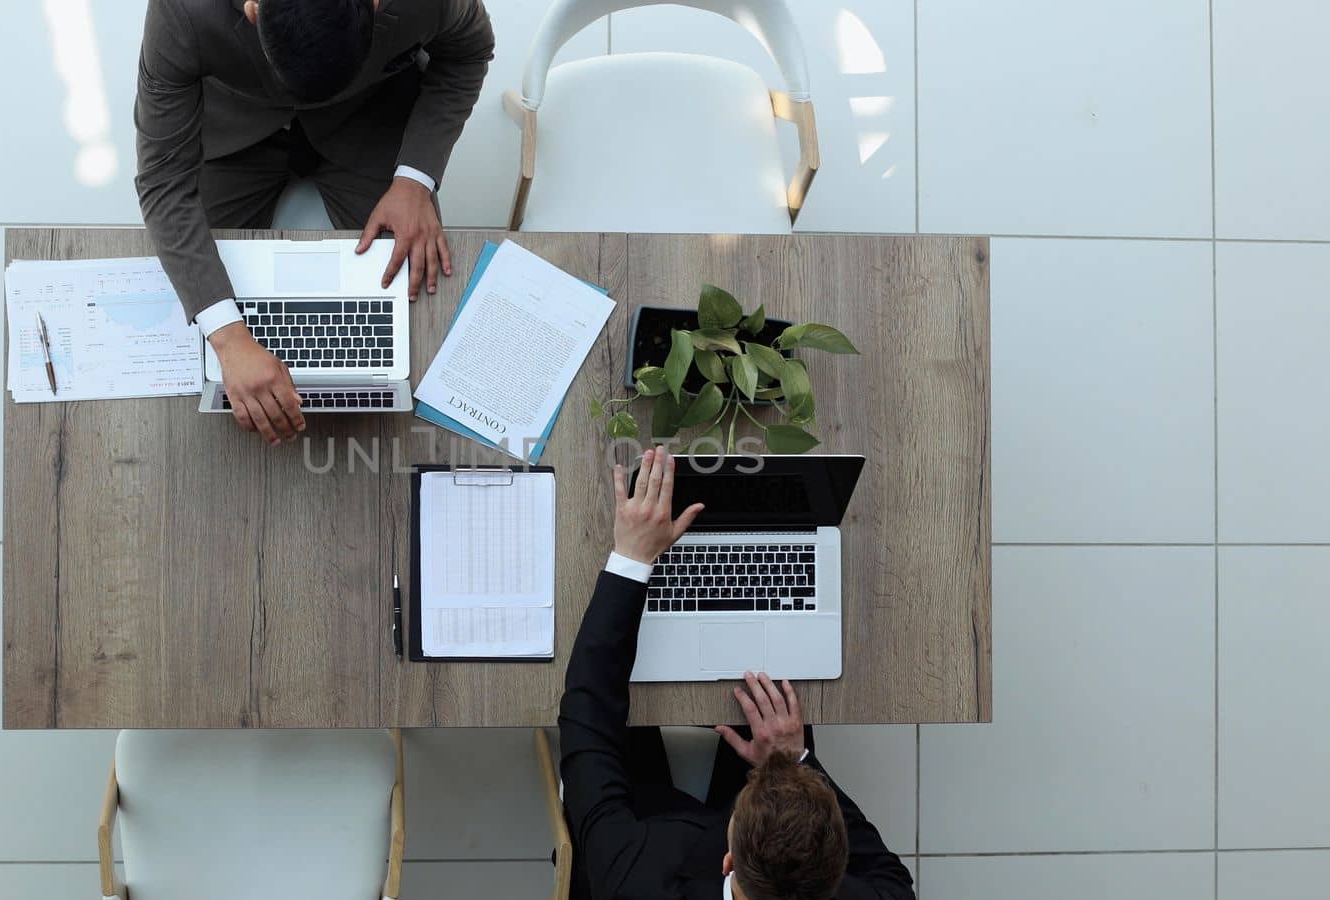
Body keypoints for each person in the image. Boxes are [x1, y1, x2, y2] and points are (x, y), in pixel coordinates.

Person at [560, 448, 916, 900]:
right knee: (771, 686)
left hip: (656, 833)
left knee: (623, 733)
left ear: (728, 860)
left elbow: (587, 723)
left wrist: (631, 558)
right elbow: (892, 879)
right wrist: (794, 759)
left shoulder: (631, 878)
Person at [134, 0, 494, 443]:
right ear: (253, 10)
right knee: (192, 335)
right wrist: (229, 340)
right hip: (236, 129)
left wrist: (415, 178)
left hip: (367, 117)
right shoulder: (181, 10)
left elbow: (469, 52)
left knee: (419, 324)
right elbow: (164, 179)